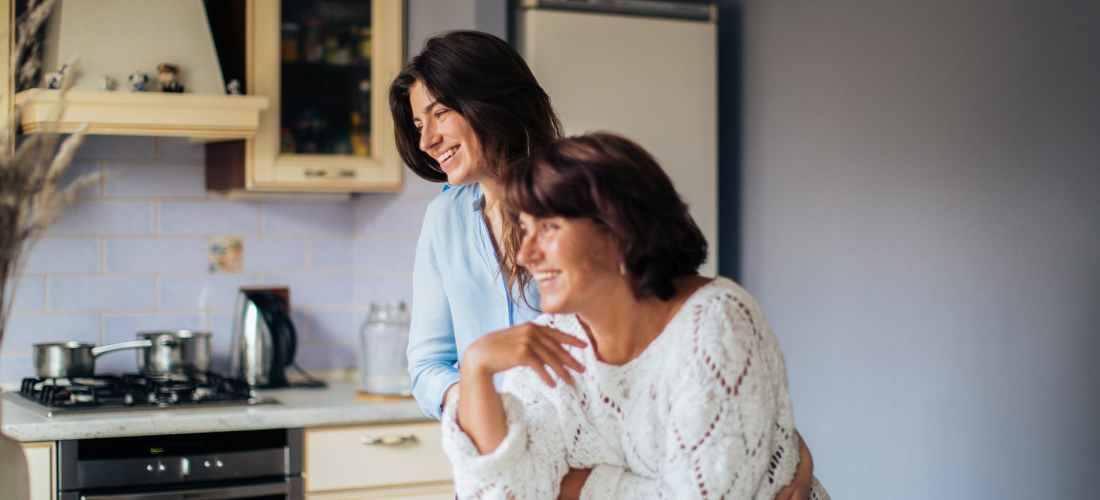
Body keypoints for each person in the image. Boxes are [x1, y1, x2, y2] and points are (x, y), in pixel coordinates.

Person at [390, 31, 816, 499]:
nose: (426, 139)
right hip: (512, 443)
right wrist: (481, 387)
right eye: (417, 123)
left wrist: (775, 442)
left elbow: (690, 360)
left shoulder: (584, 186)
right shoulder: (445, 220)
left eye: (440, 113)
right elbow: (495, 465)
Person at [442, 133, 830, 499]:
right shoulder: (555, 340)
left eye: (549, 228)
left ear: (618, 229)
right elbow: (509, 491)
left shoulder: (716, 323)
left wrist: (581, 488)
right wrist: (477, 369)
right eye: (524, 229)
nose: (526, 255)